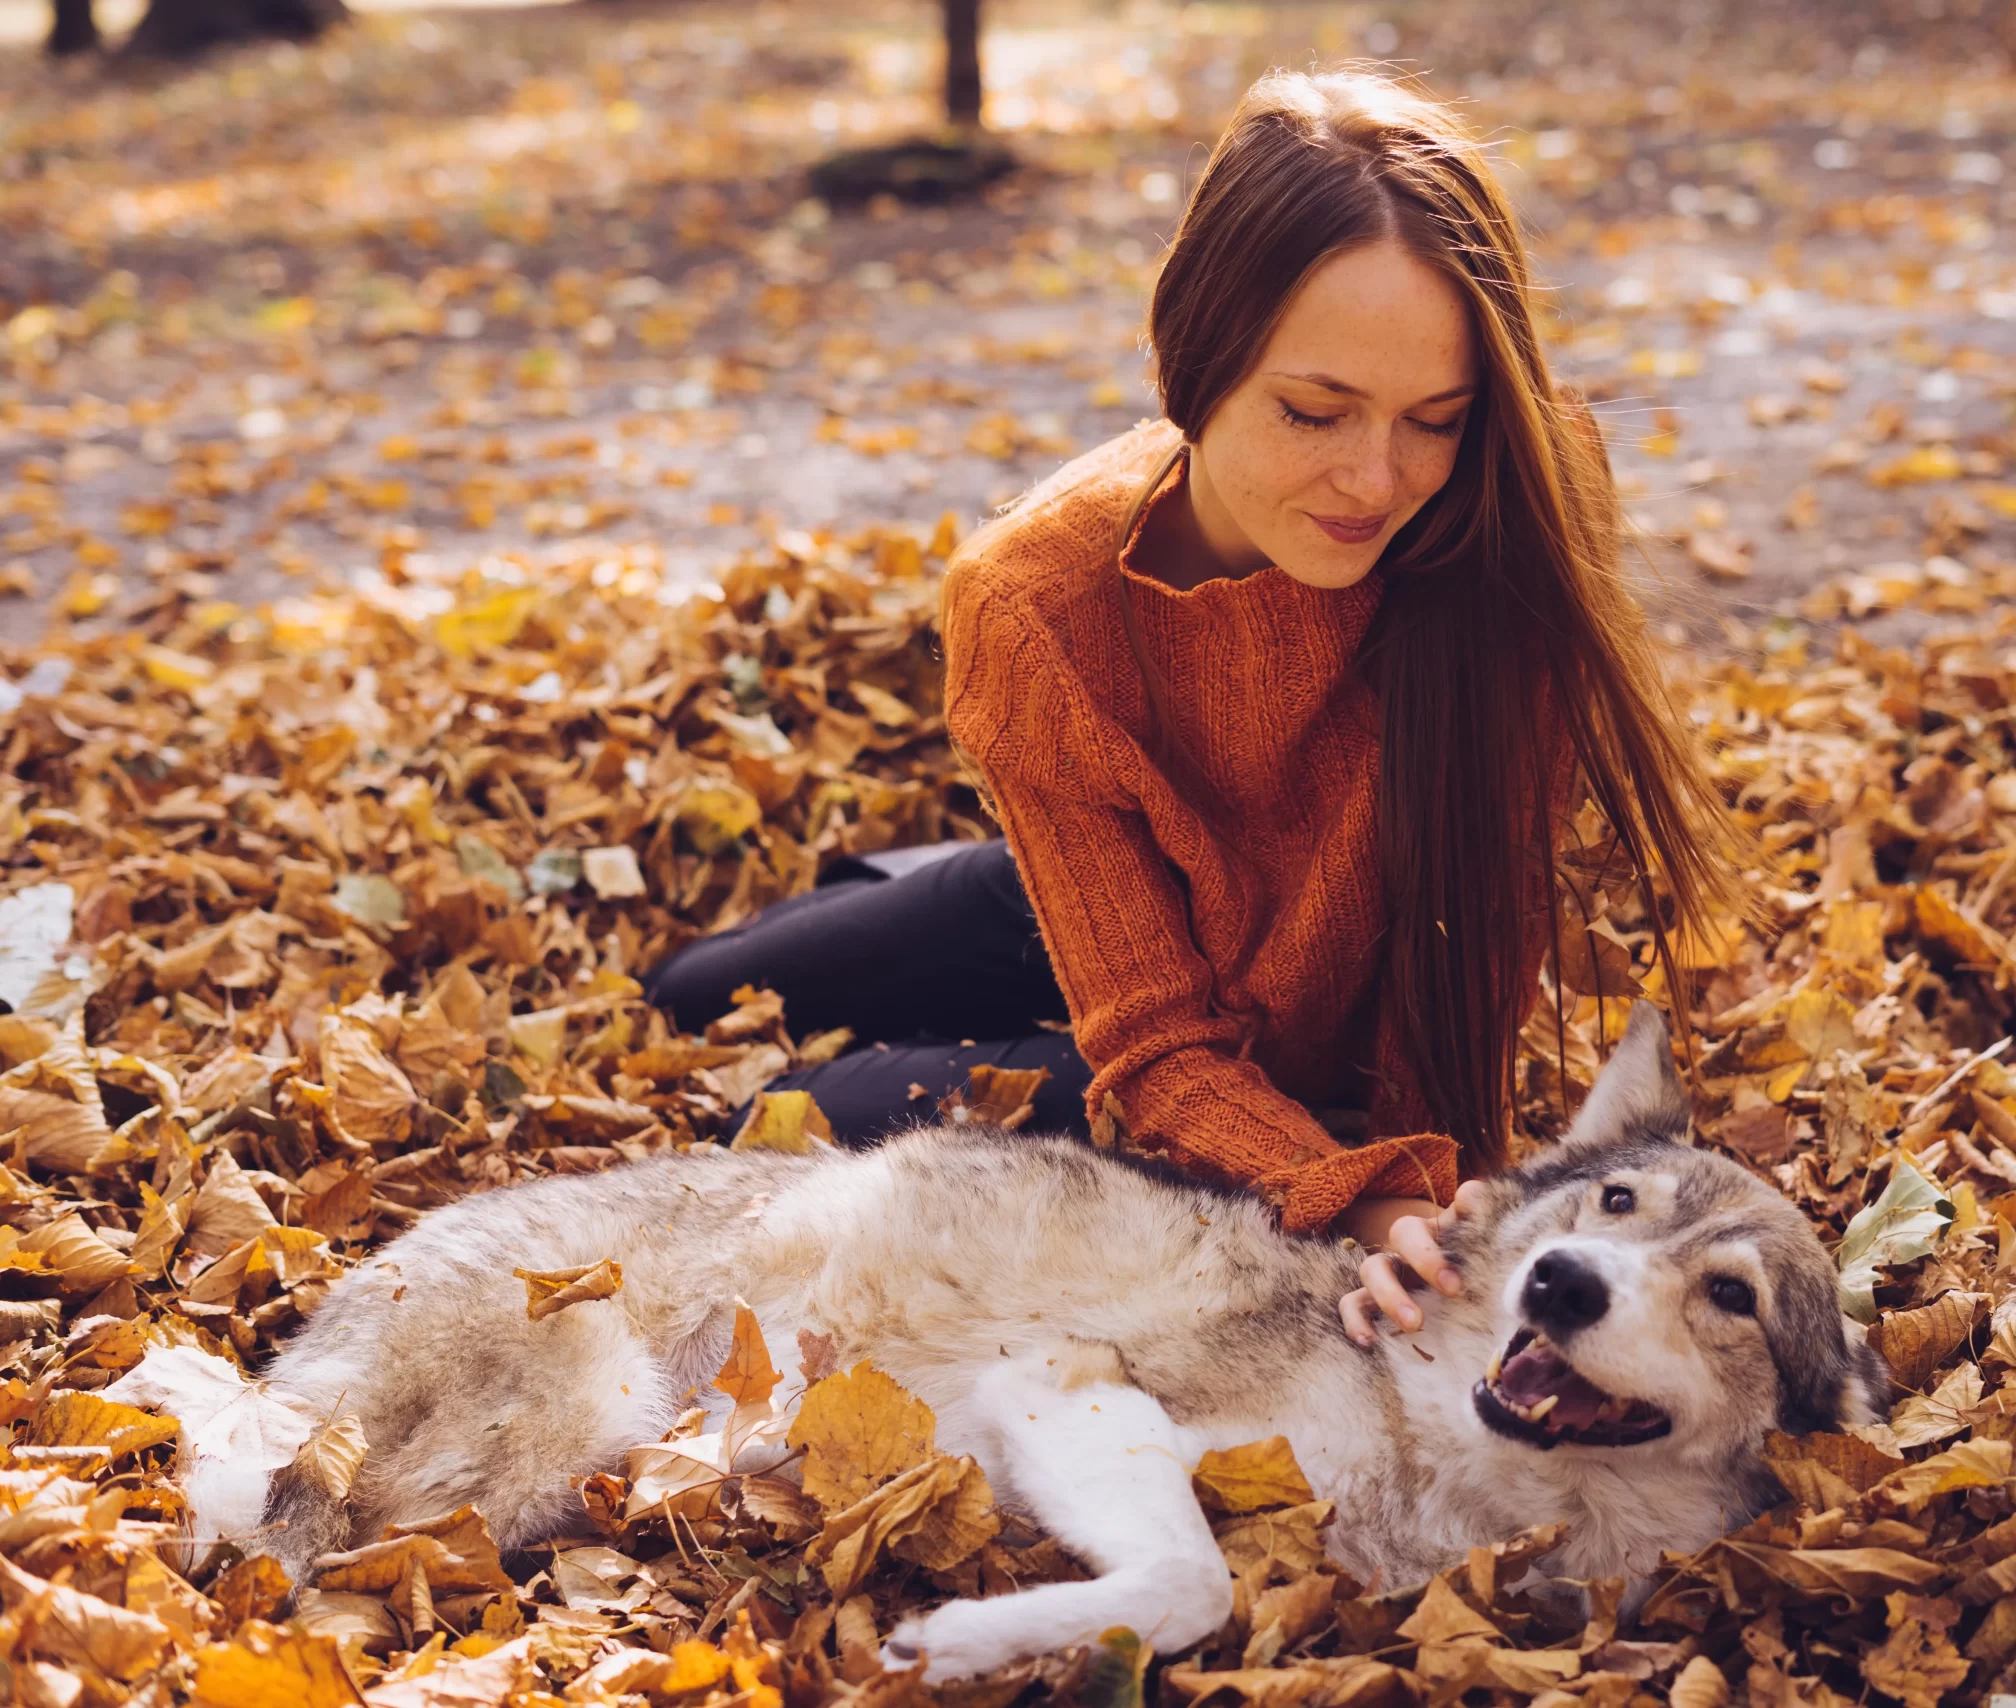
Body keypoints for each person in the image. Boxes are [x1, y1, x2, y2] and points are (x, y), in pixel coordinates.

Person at [644, 66, 1738, 1346]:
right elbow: (1153, 1013)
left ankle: (1031, 958)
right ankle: (1019, 893)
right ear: (1193, 361)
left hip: (1243, 1063)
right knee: (687, 995)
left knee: (771, 1110)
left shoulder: (1513, 497)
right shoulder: (1037, 600)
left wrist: (1397, 1198)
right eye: (1312, 411)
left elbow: (1461, 946)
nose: (1376, 479)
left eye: (1431, 418)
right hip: (1132, 913)